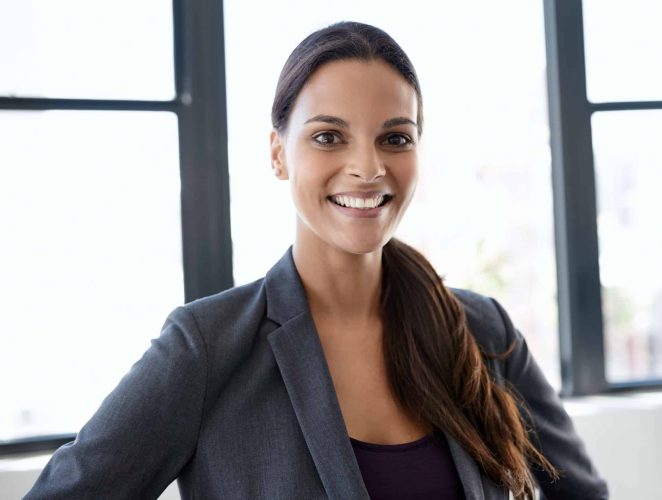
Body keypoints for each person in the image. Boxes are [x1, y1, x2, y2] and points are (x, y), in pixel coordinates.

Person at [25, 21, 608, 500]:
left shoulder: (484, 332)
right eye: (329, 137)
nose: (368, 167)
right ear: (279, 155)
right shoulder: (206, 347)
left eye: (395, 138)